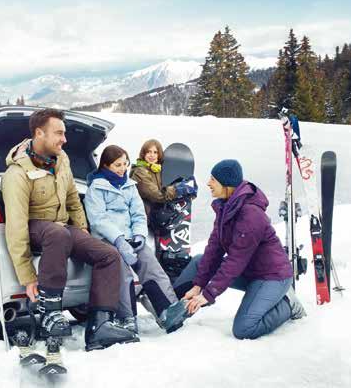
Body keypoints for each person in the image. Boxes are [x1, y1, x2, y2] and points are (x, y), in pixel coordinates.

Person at [1, 108, 138, 351]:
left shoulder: (62, 159)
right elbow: (16, 226)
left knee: (108, 255)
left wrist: (83, 229)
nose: (65, 139)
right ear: (39, 133)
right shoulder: (17, 173)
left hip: (62, 228)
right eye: (59, 133)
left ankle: (100, 324)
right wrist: (28, 277)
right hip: (36, 228)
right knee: (57, 233)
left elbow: (73, 198)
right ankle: (49, 312)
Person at [181, 159, 306, 340]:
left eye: (213, 179)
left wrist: (208, 294)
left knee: (244, 328)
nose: (208, 183)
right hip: (250, 272)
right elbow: (214, 248)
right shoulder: (225, 206)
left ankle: (288, 304)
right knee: (200, 260)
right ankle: (174, 310)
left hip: (272, 276)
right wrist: (198, 285)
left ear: (227, 184)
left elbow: (235, 261)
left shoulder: (251, 214)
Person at [83, 145, 190, 334]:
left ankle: (168, 309)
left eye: (125, 163)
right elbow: (98, 220)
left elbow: (139, 214)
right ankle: (127, 317)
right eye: (117, 165)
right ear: (106, 165)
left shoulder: (129, 185)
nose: (122, 168)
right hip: (109, 240)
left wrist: (139, 235)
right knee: (122, 272)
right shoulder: (96, 188)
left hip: (132, 237)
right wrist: (119, 240)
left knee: (151, 264)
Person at [129, 139, 198, 291]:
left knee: (163, 256)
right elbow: (157, 195)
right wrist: (179, 189)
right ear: (143, 153)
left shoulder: (157, 170)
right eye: (149, 152)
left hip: (158, 218)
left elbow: (167, 186)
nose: (152, 155)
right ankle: (153, 289)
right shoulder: (140, 172)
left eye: (155, 152)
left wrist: (187, 189)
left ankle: (168, 286)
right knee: (153, 258)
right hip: (145, 219)